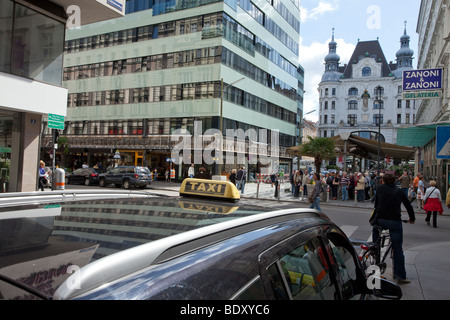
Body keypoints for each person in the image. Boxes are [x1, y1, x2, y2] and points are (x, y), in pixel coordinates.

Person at [373, 173, 415, 284]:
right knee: (397, 249)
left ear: (383, 181)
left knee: (375, 233)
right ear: (394, 181)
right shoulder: (399, 191)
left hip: (380, 219)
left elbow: (376, 205)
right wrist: (412, 218)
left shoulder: (380, 189)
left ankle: (374, 247)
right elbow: (408, 205)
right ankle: (400, 276)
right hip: (394, 221)